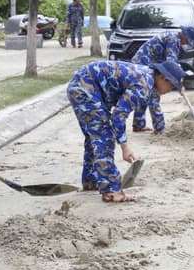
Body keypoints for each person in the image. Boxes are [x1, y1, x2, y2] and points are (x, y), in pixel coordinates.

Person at [67, 60, 184, 203]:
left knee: (95, 137)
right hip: (85, 89)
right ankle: (111, 191)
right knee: (104, 138)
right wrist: (124, 146)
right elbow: (118, 115)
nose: (169, 90)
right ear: (162, 78)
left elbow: (144, 104)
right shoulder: (143, 85)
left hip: (81, 85)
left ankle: (91, 182)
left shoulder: (147, 78)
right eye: (171, 86)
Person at [130, 25, 194, 132]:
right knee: (153, 96)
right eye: (188, 42)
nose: (186, 44)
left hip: (142, 64)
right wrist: (180, 84)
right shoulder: (173, 40)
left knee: (144, 95)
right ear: (185, 37)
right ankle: (159, 128)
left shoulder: (172, 36)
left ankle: (139, 125)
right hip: (143, 65)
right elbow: (171, 64)